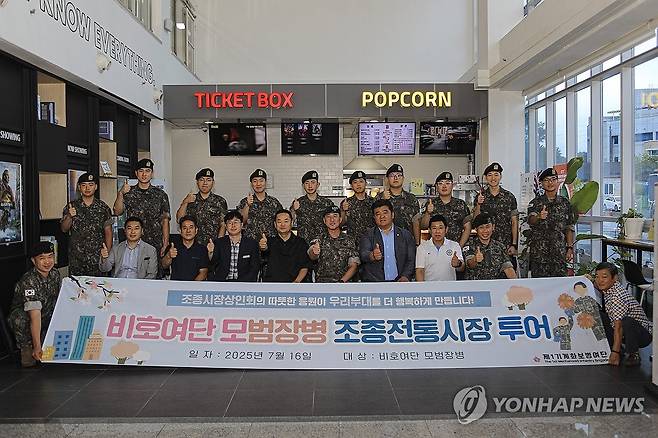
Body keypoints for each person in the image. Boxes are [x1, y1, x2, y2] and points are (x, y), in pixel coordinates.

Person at [8, 242, 61, 367]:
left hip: (46, 315)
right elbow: (34, 316)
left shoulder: (55, 274)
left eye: (50, 257)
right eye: (42, 258)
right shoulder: (29, 281)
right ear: (33, 260)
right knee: (19, 318)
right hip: (30, 319)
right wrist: (37, 346)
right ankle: (26, 347)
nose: (47, 262)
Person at [593, 262, 653, 367]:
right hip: (625, 332)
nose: (599, 280)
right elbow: (597, 284)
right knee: (599, 316)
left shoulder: (617, 297)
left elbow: (619, 326)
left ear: (615, 278)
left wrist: (614, 353)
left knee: (626, 321)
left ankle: (633, 354)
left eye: (604, 277)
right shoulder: (610, 287)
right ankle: (618, 349)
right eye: (597, 276)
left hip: (643, 336)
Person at [113, 159, 171, 261]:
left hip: (155, 243)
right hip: (133, 243)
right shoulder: (129, 193)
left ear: (152, 173)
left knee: (154, 269)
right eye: (141, 171)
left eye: (147, 171)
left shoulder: (161, 195)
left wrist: (165, 243)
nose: (144, 174)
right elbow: (117, 212)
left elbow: (165, 221)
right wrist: (120, 193)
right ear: (136, 173)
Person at [60, 172, 113, 276]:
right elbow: (64, 229)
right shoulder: (71, 206)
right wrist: (69, 216)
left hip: (97, 258)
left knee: (98, 285)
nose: (87, 188)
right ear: (79, 187)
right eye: (84, 185)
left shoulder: (103, 208)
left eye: (91, 185)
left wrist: (107, 254)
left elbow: (108, 232)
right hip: (77, 258)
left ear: (96, 187)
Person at [527, 167, 575, 277]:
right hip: (540, 256)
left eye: (553, 179)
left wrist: (569, 248)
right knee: (540, 285)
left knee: (560, 284)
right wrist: (539, 216)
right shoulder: (535, 203)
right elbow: (530, 220)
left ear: (557, 181)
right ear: (541, 183)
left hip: (559, 254)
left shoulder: (565, 203)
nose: (550, 183)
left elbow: (569, 227)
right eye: (547, 180)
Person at [359, 199, 415, 282]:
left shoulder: (405, 235)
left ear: (392, 215)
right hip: (375, 283)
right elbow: (363, 254)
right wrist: (372, 255)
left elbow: (411, 259)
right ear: (374, 218)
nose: (382, 216)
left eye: (385, 212)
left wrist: (405, 276)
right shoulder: (368, 235)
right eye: (378, 214)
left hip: (400, 282)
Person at [472, 162, 518, 261]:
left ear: (500, 176)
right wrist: (478, 204)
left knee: (506, 268)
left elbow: (514, 222)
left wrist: (514, 244)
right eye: (490, 175)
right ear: (485, 177)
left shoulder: (509, 197)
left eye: (496, 175)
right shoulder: (480, 196)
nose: (493, 178)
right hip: (485, 244)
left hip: (505, 244)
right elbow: (475, 220)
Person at [176, 168, 228, 245]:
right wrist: (185, 202)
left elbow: (223, 224)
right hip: (193, 245)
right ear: (197, 182)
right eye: (201, 180)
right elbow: (179, 219)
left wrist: (219, 243)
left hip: (212, 244)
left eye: (208, 180)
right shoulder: (191, 199)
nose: (205, 183)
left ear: (213, 183)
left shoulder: (220, 201)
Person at [308, 205, 360, 283]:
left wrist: (341, 282)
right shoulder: (319, 239)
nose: (332, 220)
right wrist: (314, 252)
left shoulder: (349, 240)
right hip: (323, 284)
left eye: (335, 216)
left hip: (344, 283)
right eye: (328, 216)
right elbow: (311, 255)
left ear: (340, 219)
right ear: (324, 220)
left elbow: (353, 265)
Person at [419, 171, 471, 246]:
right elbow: (423, 226)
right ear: (436, 187)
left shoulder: (461, 204)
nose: (444, 186)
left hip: (455, 247)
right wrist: (428, 213)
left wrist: (459, 247)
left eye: (447, 183)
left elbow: (467, 227)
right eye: (440, 183)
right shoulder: (430, 204)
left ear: (452, 185)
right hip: (435, 248)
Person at [207, 210, 261, 282]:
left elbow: (254, 268)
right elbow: (212, 264)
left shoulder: (252, 244)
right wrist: (210, 253)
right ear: (226, 226)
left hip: (244, 283)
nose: (233, 225)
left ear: (242, 225)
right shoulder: (218, 243)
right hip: (222, 283)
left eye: (236, 222)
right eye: (230, 223)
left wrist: (243, 283)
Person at [260, 209, 310, 282]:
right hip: (272, 285)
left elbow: (305, 266)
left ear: (292, 223)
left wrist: (296, 283)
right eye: (279, 222)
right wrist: (263, 247)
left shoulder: (301, 243)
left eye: (286, 221)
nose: (282, 224)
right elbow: (264, 251)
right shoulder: (269, 241)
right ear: (275, 224)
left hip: (295, 285)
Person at [463, 213, 517, 280]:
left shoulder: (500, 246)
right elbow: (469, 264)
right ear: (476, 229)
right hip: (475, 285)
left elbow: (508, 268)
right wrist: (475, 260)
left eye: (488, 226)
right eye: (481, 227)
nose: (485, 231)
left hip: (495, 285)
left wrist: (516, 282)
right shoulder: (469, 244)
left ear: (493, 227)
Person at [375, 164, 420, 241]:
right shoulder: (379, 198)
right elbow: (374, 221)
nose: (396, 178)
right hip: (385, 241)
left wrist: (417, 243)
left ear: (403, 178)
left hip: (407, 242)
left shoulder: (412, 199)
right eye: (392, 175)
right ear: (387, 179)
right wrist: (383, 200)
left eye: (399, 175)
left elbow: (416, 222)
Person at [237, 169, 283, 241]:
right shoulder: (244, 202)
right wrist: (247, 205)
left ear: (266, 183)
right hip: (251, 242)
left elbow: (282, 221)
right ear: (251, 184)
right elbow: (240, 222)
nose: (258, 184)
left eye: (261, 181)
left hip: (271, 242)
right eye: (255, 181)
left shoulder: (274, 202)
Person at [415, 214, 464, 281]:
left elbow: (462, 268)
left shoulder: (454, 245)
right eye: (434, 228)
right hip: (429, 286)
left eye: (440, 228)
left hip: (450, 286)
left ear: (446, 229)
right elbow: (419, 271)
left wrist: (458, 264)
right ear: (429, 230)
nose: (437, 231)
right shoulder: (422, 247)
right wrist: (422, 287)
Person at [291, 170, 335, 243]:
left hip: (323, 243)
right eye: (307, 183)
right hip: (303, 243)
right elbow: (290, 223)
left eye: (313, 182)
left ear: (318, 185)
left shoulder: (327, 203)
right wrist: (294, 210)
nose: (310, 186)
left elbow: (334, 222)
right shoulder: (298, 202)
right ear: (303, 186)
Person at [161, 216, 209, 281]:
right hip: (175, 285)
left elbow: (203, 272)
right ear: (180, 231)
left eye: (191, 227)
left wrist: (191, 286)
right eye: (184, 228)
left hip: (195, 285)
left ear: (196, 230)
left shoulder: (202, 249)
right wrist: (168, 256)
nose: (188, 231)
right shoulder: (172, 247)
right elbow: (164, 265)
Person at [340, 170, 374, 242]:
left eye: (361, 181)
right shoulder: (346, 202)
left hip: (370, 241)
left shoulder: (373, 202)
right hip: (352, 243)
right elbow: (341, 224)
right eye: (355, 182)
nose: (358, 184)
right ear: (351, 185)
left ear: (366, 184)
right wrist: (343, 211)